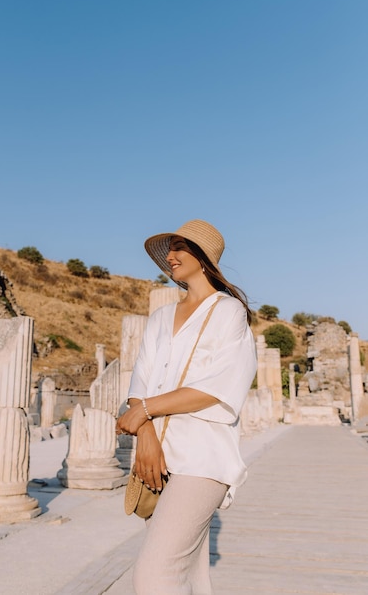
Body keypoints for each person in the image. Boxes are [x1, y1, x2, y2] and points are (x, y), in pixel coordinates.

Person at [116, 219, 257, 595]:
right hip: (155, 459)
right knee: (188, 579)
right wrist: (145, 435)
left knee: (153, 575)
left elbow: (218, 388)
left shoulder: (229, 312)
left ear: (204, 257)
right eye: (170, 249)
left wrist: (143, 412)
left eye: (181, 247)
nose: (172, 256)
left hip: (203, 460)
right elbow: (138, 385)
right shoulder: (160, 317)